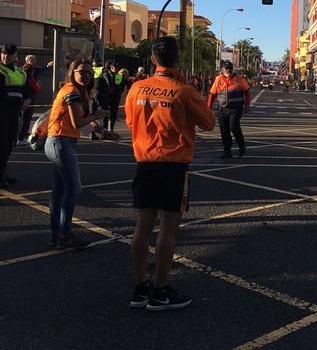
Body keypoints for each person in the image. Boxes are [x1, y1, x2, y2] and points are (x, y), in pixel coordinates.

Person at [125, 36, 215, 311]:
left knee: (142, 225)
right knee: (168, 227)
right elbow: (209, 123)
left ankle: (140, 289)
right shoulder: (183, 91)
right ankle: (161, 291)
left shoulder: (137, 89)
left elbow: (129, 121)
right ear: (176, 60)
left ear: (153, 60)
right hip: (174, 164)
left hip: (144, 163)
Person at [45, 59, 115, 248]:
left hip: (59, 142)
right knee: (74, 188)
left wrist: (102, 131)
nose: (85, 76)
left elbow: (82, 119)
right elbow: (78, 122)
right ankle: (64, 233)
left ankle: (57, 234)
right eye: (81, 72)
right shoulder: (71, 92)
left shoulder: (77, 92)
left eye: (89, 73)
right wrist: (98, 115)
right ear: (72, 72)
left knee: (59, 191)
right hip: (60, 142)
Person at [0, 44, 31, 187]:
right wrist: (17, 101)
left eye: (9, 54)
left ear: (15, 56)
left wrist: (27, 99)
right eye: (3, 53)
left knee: (9, 145)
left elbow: (27, 90)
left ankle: (3, 174)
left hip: (14, 113)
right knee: (2, 144)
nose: (5, 56)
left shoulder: (21, 73)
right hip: (2, 112)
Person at [208, 61, 251, 159]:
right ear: (223, 69)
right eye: (226, 68)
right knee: (224, 130)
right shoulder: (218, 79)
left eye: (230, 68)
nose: (228, 70)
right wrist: (208, 108)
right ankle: (227, 151)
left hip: (235, 109)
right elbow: (212, 94)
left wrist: (247, 105)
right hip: (222, 109)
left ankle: (241, 146)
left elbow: (247, 91)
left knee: (234, 127)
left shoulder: (239, 79)